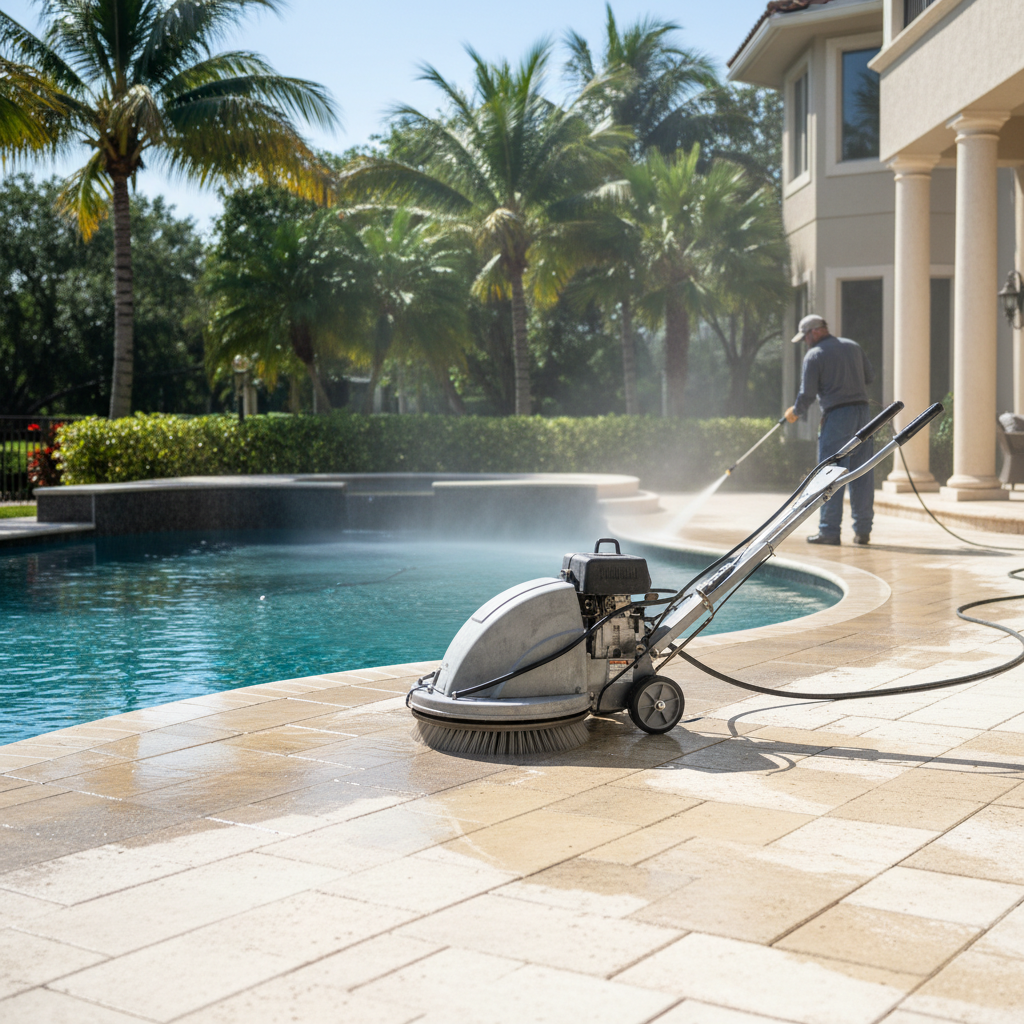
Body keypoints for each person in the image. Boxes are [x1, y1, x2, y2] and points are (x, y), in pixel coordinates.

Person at [784, 314, 875, 546]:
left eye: (805, 337)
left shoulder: (814, 355)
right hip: (864, 415)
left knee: (830, 474)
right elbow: (870, 377)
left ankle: (829, 531)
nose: (805, 342)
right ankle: (863, 531)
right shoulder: (853, 346)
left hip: (837, 417)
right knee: (862, 472)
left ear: (815, 331)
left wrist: (795, 411)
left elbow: (807, 393)